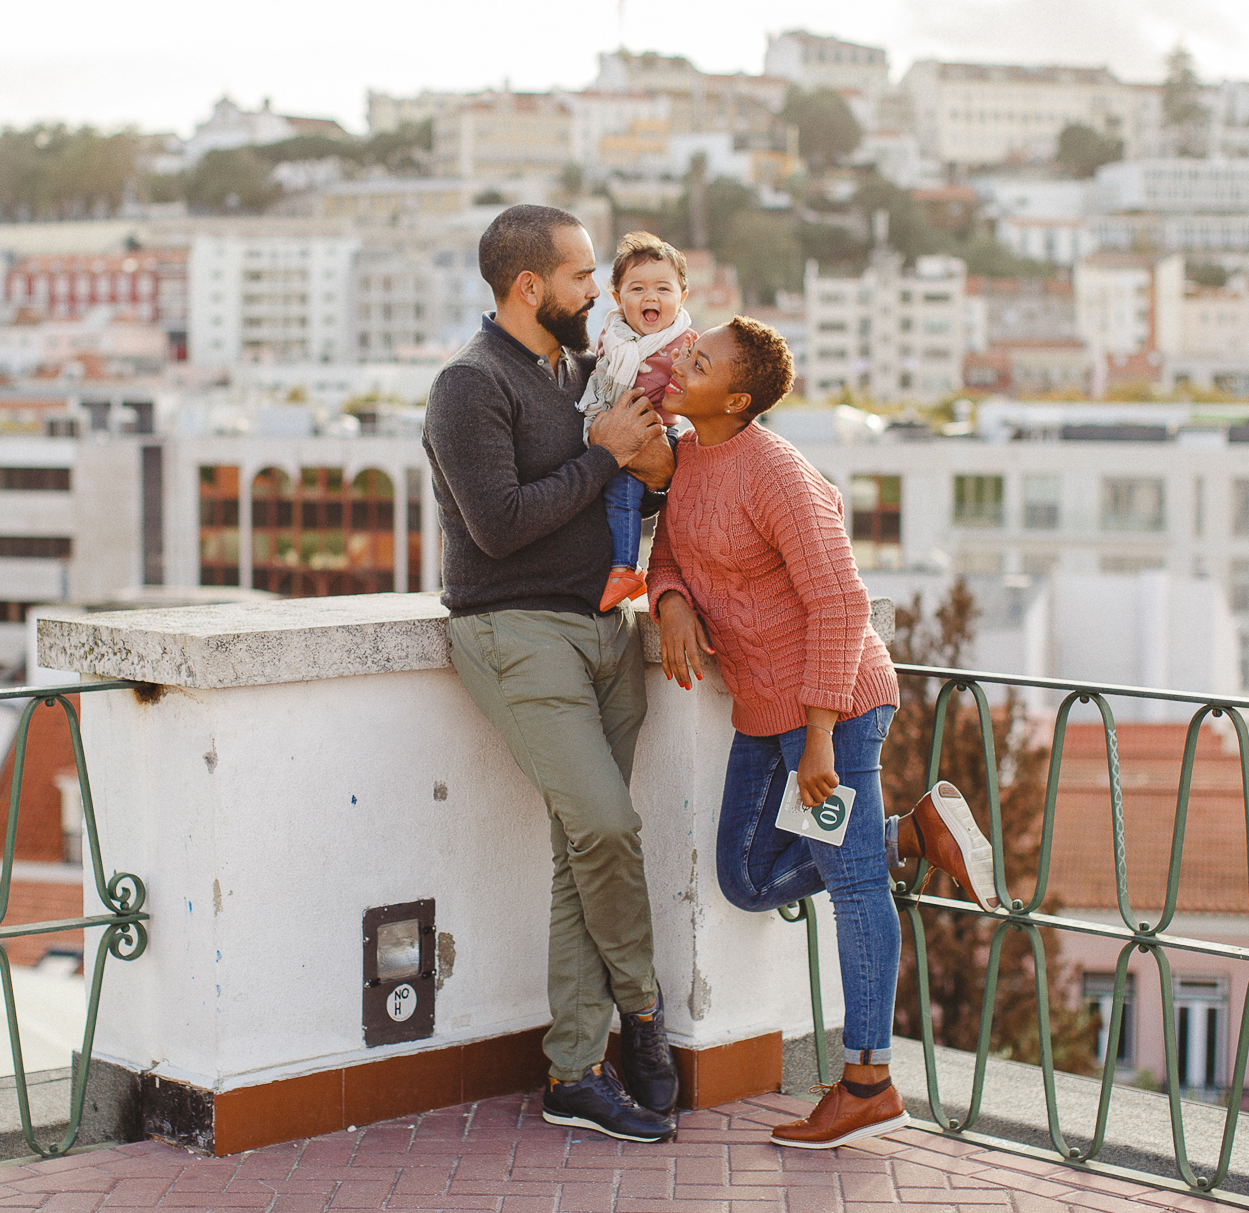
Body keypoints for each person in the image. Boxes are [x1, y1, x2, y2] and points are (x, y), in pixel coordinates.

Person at [649, 316, 1001, 1150]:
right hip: (763, 707)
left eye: (698, 362)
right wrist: (667, 600)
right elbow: (668, 551)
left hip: (834, 708)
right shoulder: (693, 455)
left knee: (853, 890)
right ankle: (909, 832)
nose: (679, 363)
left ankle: (869, 1080)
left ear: (736, 399)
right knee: (743, 872)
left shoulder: (778, 474)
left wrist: (819, 738)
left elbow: (842, 604)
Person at [422, 204, 680, 1143]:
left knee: (585, 845)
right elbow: (497, 523)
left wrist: (643, 467)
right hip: (515, 629)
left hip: (608, 628)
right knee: (607, 825)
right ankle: (643, 1016)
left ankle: (576, 1069)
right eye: (581, 277)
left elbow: (625, 495)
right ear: (530, 287)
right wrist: (601, 448)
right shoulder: (468, 384)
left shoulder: (582, 371)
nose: (598, 292)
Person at [575, 231, 699, 611]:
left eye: (663, 289)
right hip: (621, 428)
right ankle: (624, 568)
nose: (651, 298)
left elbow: (696, 394)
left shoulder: (686, 342)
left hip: (665, 432)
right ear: (617, 298)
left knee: (658, 496)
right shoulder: (611, 337)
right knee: (620, 488)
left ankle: (631, 568)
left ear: (682, 296)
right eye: (637, 288)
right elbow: (598, 379)